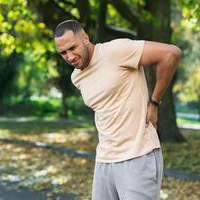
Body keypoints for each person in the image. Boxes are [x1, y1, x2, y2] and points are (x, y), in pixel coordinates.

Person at [53, 20, 181, 200]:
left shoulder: (116, 50)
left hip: (137, 155)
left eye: (73, 48)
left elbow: (171, 54)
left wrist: (154, 102)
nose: (70, 57)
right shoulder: (77, 77)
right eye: (63, 53)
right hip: (104, 159)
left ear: (86, 38)